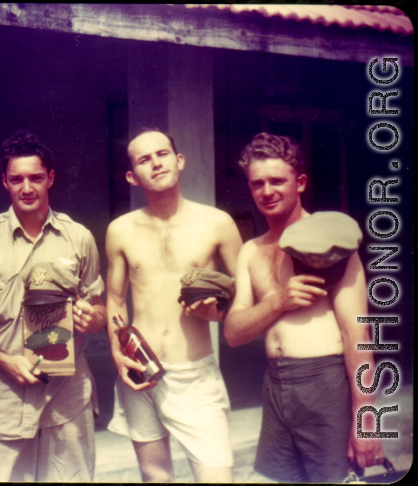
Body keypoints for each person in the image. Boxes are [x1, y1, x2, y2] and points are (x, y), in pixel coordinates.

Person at [0, 129, 107, 482]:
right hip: (4, 400)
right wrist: (4, 361)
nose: (27, 188)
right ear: (4, 182)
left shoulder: (79, 238)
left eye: (36, 178)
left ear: (50, 178)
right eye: (17, 179)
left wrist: (93, 318)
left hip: (67, 399)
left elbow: (99, 306)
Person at [224, 132, 384, 482]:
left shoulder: (331, 242)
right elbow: (234, 332)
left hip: (323, 382)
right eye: (258, 183)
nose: (267, 191)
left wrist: (366, 418)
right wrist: (278, 301)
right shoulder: (250, 250)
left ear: (300, 182)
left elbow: (357, 334)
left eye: (277, 181)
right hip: (276, 385)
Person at [105, 128, 242, 482]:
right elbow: (116, 299)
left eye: (162, 154)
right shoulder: (120, 230)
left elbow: (246, 293)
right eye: (144, 159)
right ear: (132, 176)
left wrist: (219, 312)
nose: (156, 163)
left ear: (179, 160)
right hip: (140, 368)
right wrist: (117, 352)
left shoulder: (216, 223)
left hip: (194, 374)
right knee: (156, 478)